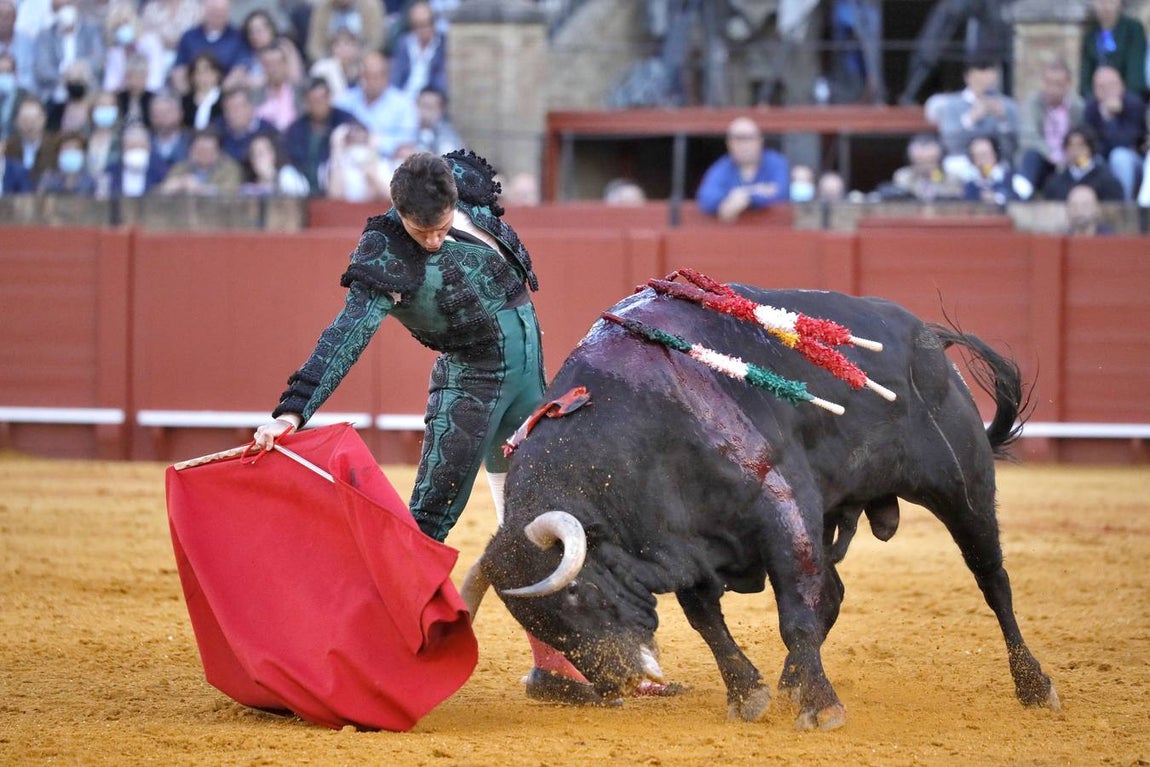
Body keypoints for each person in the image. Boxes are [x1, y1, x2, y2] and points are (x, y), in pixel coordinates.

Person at [924, 56, 1020, 179]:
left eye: (989, 76)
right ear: (968, 77)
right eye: (979, 78)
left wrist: (1003, 120)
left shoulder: (1007, 105)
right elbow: (950, 143)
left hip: (995, 163)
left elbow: (1010, 147)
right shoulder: (952, 104)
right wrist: (971, 118)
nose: (985, 82)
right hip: (962, 162)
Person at [696, 116, 789, 221]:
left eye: (748, 139)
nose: (743, 145)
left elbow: (782, 194)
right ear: (728, 144)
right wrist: (735, 197)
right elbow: (706, 199)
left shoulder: (775, 162)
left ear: (760, 140)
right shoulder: (722, 166)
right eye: (737, 140)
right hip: (733, 230)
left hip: (770, 228)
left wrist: (746, 196)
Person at [334, 50, 417, 161]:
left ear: (386, 77)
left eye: (376, 77)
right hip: (347, 159)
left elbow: (407, 140)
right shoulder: (344, 101)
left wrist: (371, 140)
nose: (371, 81)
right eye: (367, 76)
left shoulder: (403, 104)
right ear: (360, 76)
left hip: (386, 161)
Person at [1018, 56, 1084, 192]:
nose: (1052, 89)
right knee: (1031, 156)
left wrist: (1068, 155)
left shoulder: (1078, 107)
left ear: (1068, 84)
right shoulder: (1033, 103)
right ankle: (1021, 195)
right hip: (1044, 159)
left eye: (1058, 84)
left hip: (1070, 160)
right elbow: (1029, 138)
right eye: (1048, 83)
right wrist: (1052, 155)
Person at [1082, 65, 1146, 199]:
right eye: (1101, 87)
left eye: (1111, 85)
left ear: (1121, 85)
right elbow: (1091, 145)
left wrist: (1110, 120)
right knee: (1083, 161)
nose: (1107, 91)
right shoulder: (1091, 108)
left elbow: (1124, 143)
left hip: (1134, 163)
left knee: (1119, 157)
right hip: (1102, 159)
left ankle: (1123, 204)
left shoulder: (1134, 104)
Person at [284, 76, 353, 195]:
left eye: (322, 99)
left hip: (335, 176)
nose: (319, 105)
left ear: (329, 97)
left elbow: (361, 134)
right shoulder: (296, 128)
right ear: (307, 102)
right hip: (303, 181)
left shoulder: (343, 119)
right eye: (314, 101)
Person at [32, 0, 104, 111]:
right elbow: (43, 69)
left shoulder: (92, 30)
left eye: (69, 3)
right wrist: (67, 74)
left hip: (87, 91)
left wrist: (80, 69)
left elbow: (98, 60)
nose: (66, 7)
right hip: (55, 94)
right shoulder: (46, 35)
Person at [170, 0, 248, 95]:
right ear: (205, 11)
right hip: (192, 93)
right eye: (213, 11)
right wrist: (189, 96)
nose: (217, 15)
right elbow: (179, 69)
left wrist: (216, 96)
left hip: (226, 94)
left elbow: (239, 70)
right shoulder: (189, 36)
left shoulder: (237, 38)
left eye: (221, 11)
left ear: (228, 12)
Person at [1079, 0, 1146, 99]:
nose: (1106, 7)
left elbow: (1136, 72)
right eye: (1101, 2)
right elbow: (1085, 79)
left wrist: (1120, 97)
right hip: (1098, 98)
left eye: (1110, 1)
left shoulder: (1132, 29)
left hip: (1128, 96)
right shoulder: (1090, 35)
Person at [1040, 127, 1126, 202]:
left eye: (1080, 145)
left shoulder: (1106, 180)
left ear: (1090, 149)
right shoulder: (1056, 182)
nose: (1075, 150)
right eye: (1070, 146)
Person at [389, 1, 446, 101]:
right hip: (404, 98)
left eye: (425, 25)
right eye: (417, 26)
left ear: (433, 24)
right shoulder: (404, 44)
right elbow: (396, 78)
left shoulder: (442, 45)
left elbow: (441, 82)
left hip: (429, 99)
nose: (422, 30)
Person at [159, 126, 243, 194]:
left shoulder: (230, 169)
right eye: (200, 150)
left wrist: (200, 189)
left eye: (209, 150)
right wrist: (173, 186)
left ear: (218, 151)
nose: (204, 154)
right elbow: (159, 190)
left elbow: (230, 192)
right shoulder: (181, 167)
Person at [324, 119, 391, 202]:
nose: (357, 140)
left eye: (362, 140)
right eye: (351, 139)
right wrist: (337, 150)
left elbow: (390, 197)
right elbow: (335, 195)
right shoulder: (334, 163)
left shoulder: (382, 164)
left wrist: (373, 154)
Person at [306, 0, 386, 66]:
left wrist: (357, 56)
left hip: (362, 62)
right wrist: (329, 60)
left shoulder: (371, 6)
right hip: (331, 64)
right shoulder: (322, 8)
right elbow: (314, 46)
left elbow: (376, 42)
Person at [960, 134, 1032, 204]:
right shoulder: (970, 185)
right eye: (976, 156)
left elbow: (1022, 199)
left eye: (985, 154)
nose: (981, 160)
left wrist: (997, 197)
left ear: (995, 154)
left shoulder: (1012, 177)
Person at [101, 121, 166, 197]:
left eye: (141, 147)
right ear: (123, 148)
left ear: (149, 148)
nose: (136, 151)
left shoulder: (161, 172)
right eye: (132, 147)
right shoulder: (110, 173)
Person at [215, 86, 276, 163]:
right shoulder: (217, 129)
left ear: (251, 107)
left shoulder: (269, 131)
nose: (234, 113)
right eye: (229, 109)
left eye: (238, 107)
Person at [240, 129, 308, 196]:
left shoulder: (288, 175)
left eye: (261, 153)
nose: (257, 158)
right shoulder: (247, 190)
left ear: (273, 154)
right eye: (253, 154)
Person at [37, 129, 98, 194]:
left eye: (75, 149)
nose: (71, 152)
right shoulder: (49, 178)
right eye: (66, 148)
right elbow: (40, 197)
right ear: (59, 153)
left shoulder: (90, 181)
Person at [148, 88, 191, 171]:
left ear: (180, 114)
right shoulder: (145, 142)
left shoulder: (191, 141)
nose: (163, 118)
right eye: (157, 114)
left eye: (167, 112)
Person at [181, 52, 225, 130]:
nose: (203, 76)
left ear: (217, 74)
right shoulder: (185, 102)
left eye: (207, 71)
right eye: (198, 72)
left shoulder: (225, 100)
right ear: (192, 76)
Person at [413, 85, 461, 156]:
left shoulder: (446, 137)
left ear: (442, 109)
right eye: (422, 106)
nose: (424, 112)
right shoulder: (409, 129)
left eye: (429, 107)